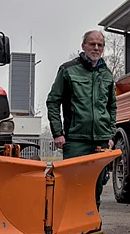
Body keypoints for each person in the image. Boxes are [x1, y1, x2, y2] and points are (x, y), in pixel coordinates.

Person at [46, 30, 116, 209]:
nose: (96, 48)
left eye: (100, 45)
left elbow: (112, 107)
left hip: (100, 140)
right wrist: (57, 133)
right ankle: (71, 228)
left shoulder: (107, 74)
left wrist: (110, 135)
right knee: (73, 185)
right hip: (76, 139)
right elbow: (53, 101)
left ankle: (92, 225)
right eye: (92, 44)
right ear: (83, 46)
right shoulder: (68, 70)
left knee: (97, 186)